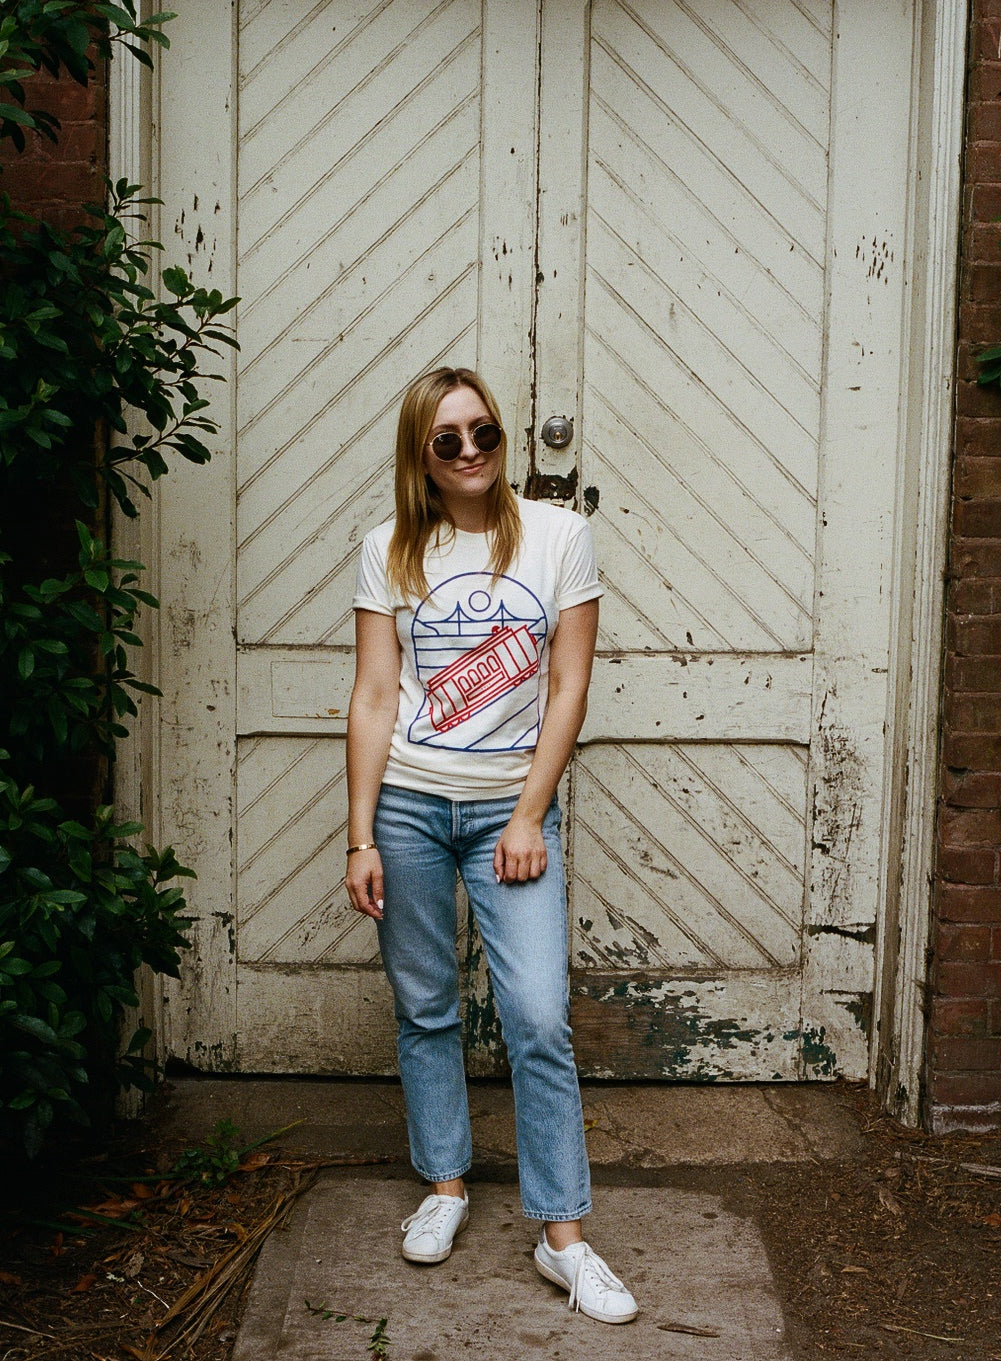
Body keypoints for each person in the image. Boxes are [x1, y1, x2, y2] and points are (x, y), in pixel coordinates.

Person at [344, 366, 638, 1325]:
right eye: (448, 440)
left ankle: (565, 1237)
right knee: (426, 1004)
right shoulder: (388, 547)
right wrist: (360, 835)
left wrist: (527, 814)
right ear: (420, 457)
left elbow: (569, 687)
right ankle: (445, 1186)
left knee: (539, 1016)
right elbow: (377, 697)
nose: (471, 451)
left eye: (485, 432)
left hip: (512, 811)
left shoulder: (559, 536)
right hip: (411, 807)